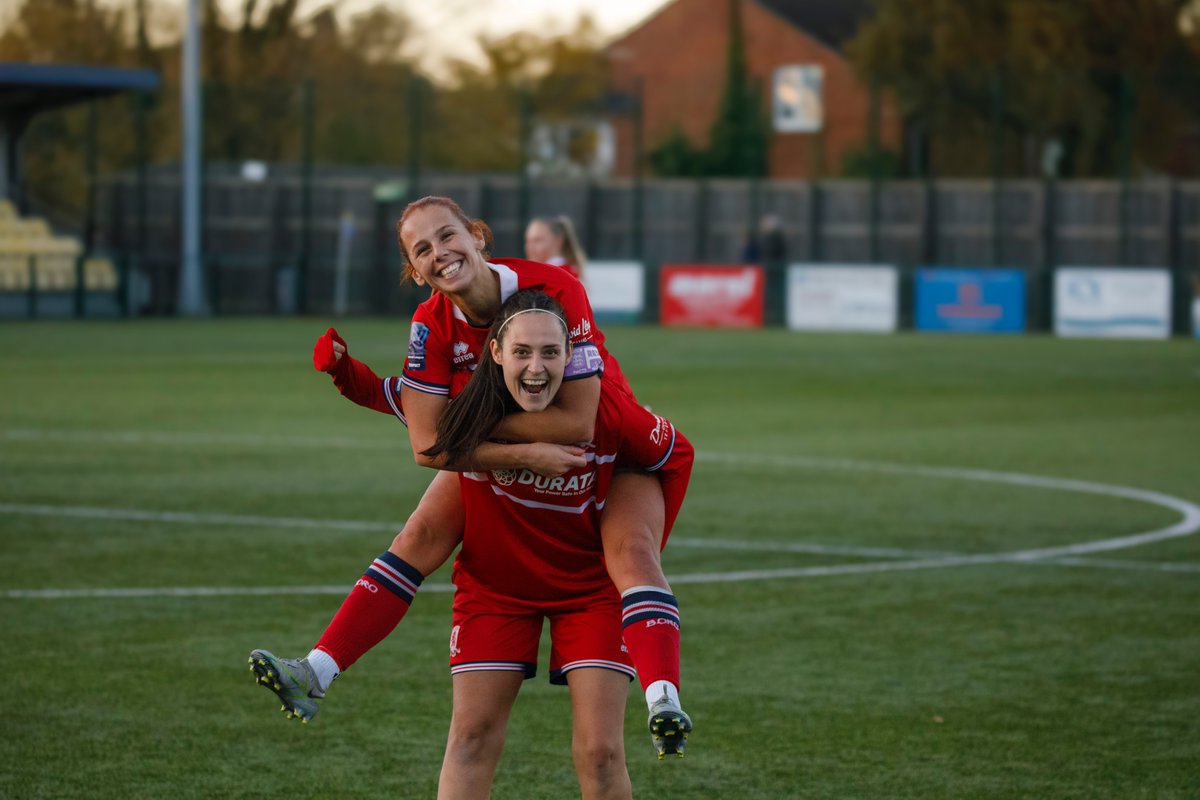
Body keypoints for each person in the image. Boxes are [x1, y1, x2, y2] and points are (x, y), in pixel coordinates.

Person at [249, 196, 692, 758]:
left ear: (477, 234)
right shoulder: (430, 324)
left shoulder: (556, 288)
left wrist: (461, 420)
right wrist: (351, 377)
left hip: (605, 445)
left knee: (632, 556)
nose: (440, 253)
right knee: (417, 538)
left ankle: (663, 697)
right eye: (422, 249)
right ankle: (315, 671)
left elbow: (576, 419)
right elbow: (426, 437)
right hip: (511, 454)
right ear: (414, 270)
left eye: (447, 235)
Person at [425, 290, 693, 796]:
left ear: (573, 356)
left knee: (601, 752)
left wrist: (643, 545)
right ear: (497, 353)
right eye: (523, 351)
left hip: (591, 586)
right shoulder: (474, 406)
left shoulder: (611, 412)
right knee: (470, 736)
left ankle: (664, 697)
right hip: (499, 588)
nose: (536, 366)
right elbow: (412, 424)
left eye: (551, 352)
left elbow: (678, 455)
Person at [524, 215, 587, 281]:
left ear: (558, 240)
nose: (530, 246)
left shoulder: (564, 276)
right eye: (528, 241)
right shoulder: (537, 274)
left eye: (538, 240)